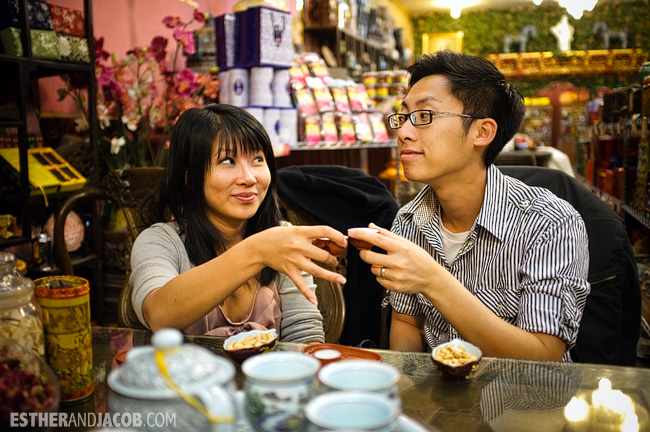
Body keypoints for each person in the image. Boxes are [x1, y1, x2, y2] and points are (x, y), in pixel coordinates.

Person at [347, 50, 590, 362]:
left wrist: (434, 281)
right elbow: (407, 323)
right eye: (404, 116)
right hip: (436, 404)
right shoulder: (408, 221)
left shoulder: (550, 222)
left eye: (424, 116)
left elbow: (543, 356)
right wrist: (410, 392)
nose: (403, 132)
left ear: (482, 132)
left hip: (523, 405)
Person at [129, 104, 347, 343]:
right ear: (189, 177)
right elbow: (159, 315)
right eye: (227, 160)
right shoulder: (160, 241)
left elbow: (304, 334)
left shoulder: (280, 237)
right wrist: (257, 250)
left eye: (257, 159)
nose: (249, 178)